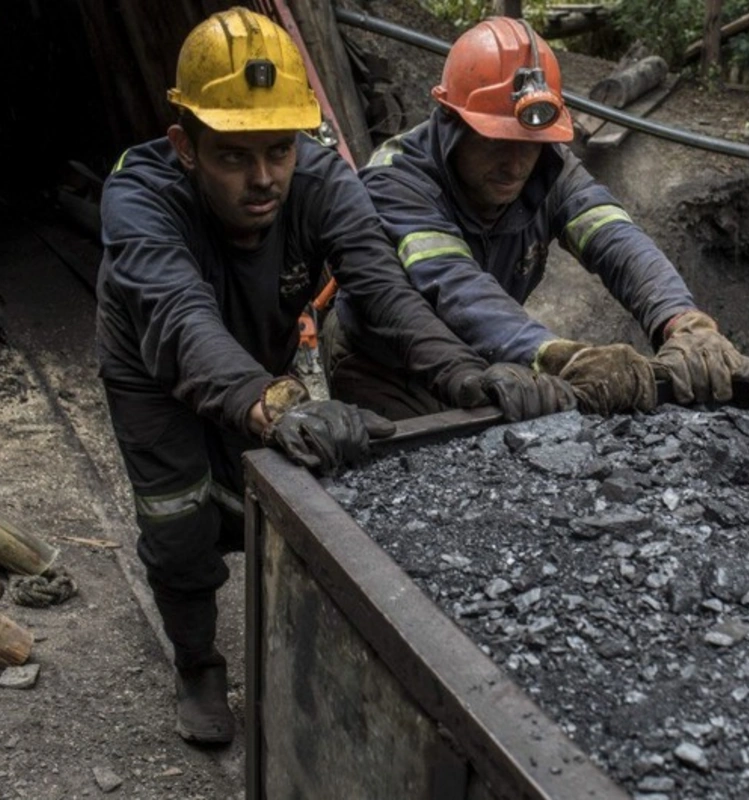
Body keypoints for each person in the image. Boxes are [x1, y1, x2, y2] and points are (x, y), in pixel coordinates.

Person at [95, 7, 570, 746]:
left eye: (278, 151)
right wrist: (272, 399)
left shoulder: (318, 178)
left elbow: (383, 289)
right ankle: (198, 663)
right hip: (152, 362)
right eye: (234, 156)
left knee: (268, 485)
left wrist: (468, 376)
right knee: (179, 511)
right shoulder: (138, 198)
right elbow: (182, 319)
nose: (263, 179)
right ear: (185, 146)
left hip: (258, 343)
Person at [326, 16, 744, 418]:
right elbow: (456, 286)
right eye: (496, 143)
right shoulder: (396, 179)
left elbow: (616, 239)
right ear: (452, 122)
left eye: (530, 144)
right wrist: (560, 356)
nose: (516, 164)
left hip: (491, 363)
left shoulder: (547, 165)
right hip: (386, 370)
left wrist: (680, 318)